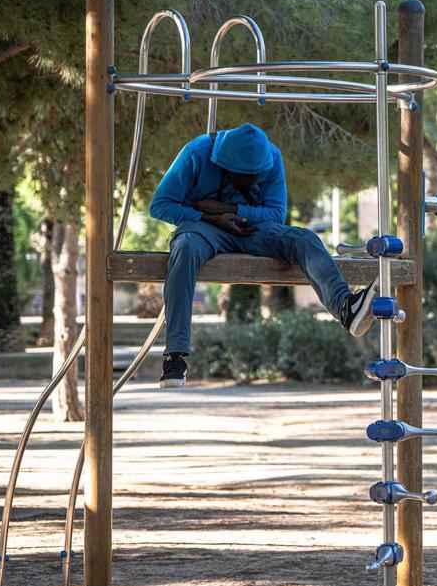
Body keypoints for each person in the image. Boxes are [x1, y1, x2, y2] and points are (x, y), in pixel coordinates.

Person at [149, 122, 377, 388]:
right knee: (184, 246)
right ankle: (175, 355)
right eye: (247, 177)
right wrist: (210, 216)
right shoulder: (196, 152)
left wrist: (231, 209)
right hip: (203, 229)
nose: (255, 181)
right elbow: (160, 205)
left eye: (259, 174)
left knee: (305, 239)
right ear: (226, 165)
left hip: (253, 230)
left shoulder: (272, 157)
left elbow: (276, 215)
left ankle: (346, 309)